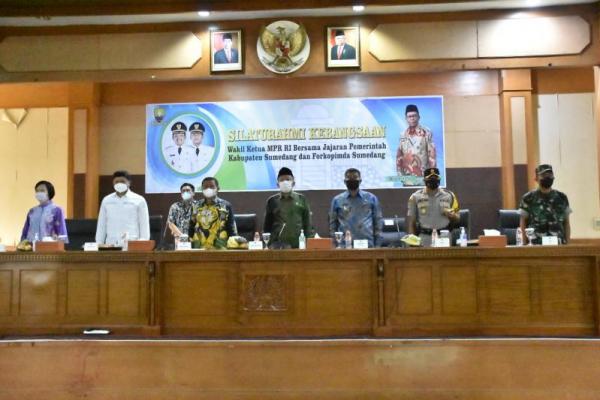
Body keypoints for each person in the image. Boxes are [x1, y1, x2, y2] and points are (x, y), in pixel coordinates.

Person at [329, 168, 383, 247]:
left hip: (368, 245)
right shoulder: (337, 200)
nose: (352, 180)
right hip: (344, 245)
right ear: (345, 181)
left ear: (360, 180)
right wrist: (335, 245)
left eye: (355, 177)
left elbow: (378, 222)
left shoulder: (371, 198)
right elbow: (332, 225)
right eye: (349, 178)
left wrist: (377, 245)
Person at [519, 164, 571, 244]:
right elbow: (523, 223)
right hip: (536, 245)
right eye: (543, 175)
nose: (547, 177)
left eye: (550, 175)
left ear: (553, 177)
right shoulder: (528, 198)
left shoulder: (562, 197)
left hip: (558, 244)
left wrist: (568, 245)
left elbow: (566, 223)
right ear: (536, 178)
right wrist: (524, 244)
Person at [407, 168, 459, 247]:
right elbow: (412, 222)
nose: (433, 180)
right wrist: (412, 243)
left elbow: (458, 218)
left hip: (444, 237)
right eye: (431, 179)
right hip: (424, 237)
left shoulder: (450, 195)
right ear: (424, 180)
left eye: (436, 178)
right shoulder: (415, 197)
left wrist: (453, 216)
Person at [95, 170, 150, 246]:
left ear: (129, 183)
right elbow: (101, 225)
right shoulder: (106, 200)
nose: (119, 184)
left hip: (132, 245)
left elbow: (144, 225)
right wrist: (99, 244)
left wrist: (143, 244)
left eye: (122, 181)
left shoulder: (139, 200)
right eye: (116, 182)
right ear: (113, 183)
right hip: (111, 245)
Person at [263, 167, 313, 248]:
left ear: (293, 183)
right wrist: (267, 245)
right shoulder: (272, 201)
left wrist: (309, 244)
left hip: (299, 245)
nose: (285, 182)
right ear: (277, 184)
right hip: (277, 247)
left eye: (288, 179)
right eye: (282, 180)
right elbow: (266, 227)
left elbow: (308, 225)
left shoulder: (301, 199)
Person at [190, 177, 237, 249]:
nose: (208, 189)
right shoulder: (196, 206)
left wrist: (234, 246)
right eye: (205, 187)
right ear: (202, 189)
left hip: (220, 248)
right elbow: (191, 227)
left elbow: (232, 228)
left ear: (218, 188)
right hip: (199, 248)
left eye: (212, 186)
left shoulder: (226, 205)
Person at [396, 104, 436, 182]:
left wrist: (432, 176)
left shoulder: (426, 132)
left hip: (423, 177)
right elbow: (399, 156)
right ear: (406, 119)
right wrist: (400, 176)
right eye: (409, 116)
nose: (412, 118)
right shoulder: (402, 135)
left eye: (414, 116)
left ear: (418, 117)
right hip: (408, 178)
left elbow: (432, 155)